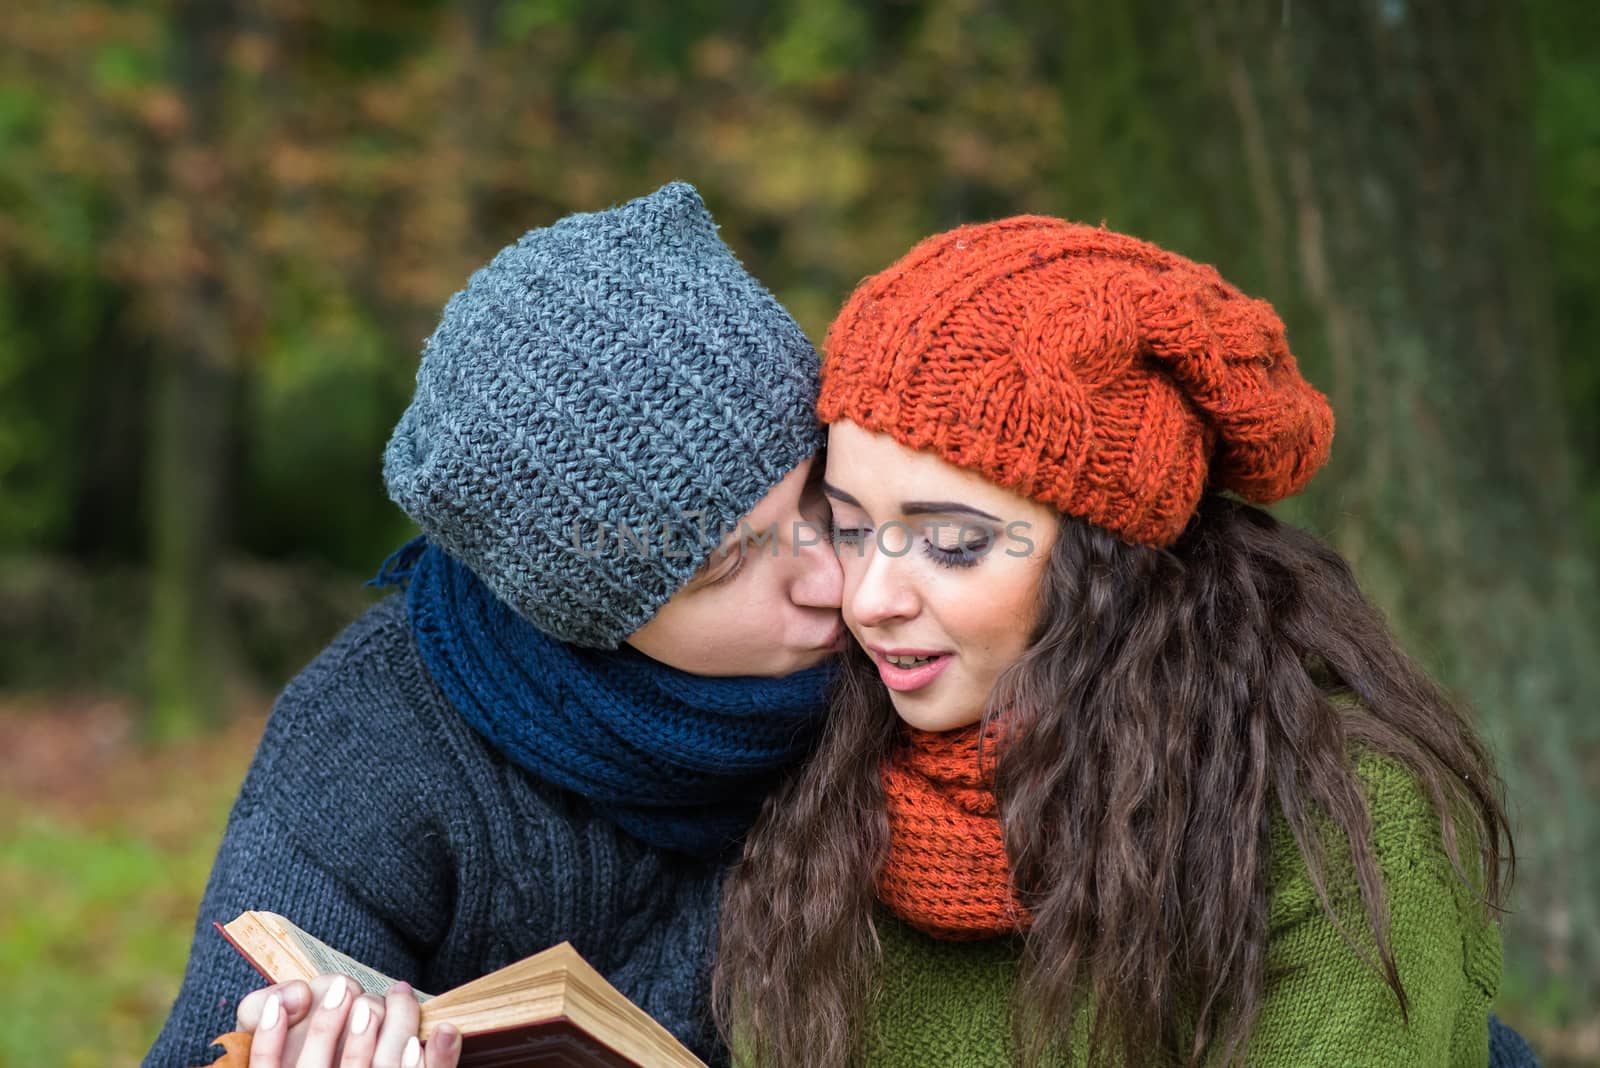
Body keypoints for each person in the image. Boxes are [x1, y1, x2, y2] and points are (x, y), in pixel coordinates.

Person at [714, 216, 1526, 1066]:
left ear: (1110, 560)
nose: (871, 600)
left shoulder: (1336, 822)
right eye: (847, 529)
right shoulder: (827, 786)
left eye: (952, 544)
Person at [142, 182, 844, 1068]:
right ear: (585, 615)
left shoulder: (925, 654)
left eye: (821, 492)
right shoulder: (368, 744)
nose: (833, 577)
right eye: (728, 562)